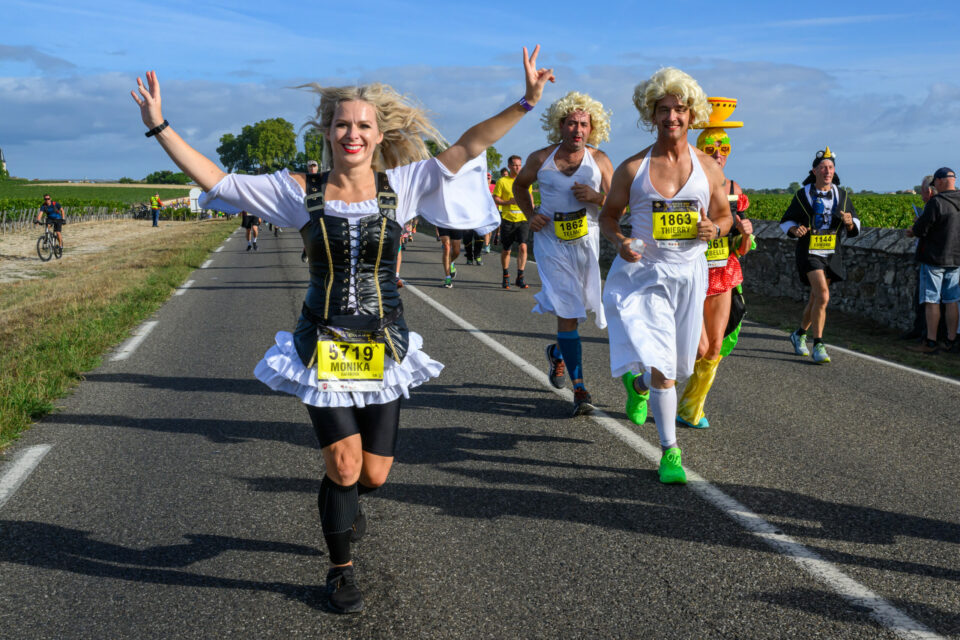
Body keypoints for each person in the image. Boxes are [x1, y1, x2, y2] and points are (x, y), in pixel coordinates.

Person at [131, 46, 553, 614]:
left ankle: (348, 508)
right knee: (345, 465)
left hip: (385, 344)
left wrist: (526, 101)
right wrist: (160, 126)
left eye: (363, 126)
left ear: (379, 136)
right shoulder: (296, 192)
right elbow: (219, 179)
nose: (351, 134)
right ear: (326, 132)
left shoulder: (403, 186)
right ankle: (340, 569)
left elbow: (470, 145)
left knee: (374, 476)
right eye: (341, 125)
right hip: (323, 344)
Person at [599, 68, 733, 484]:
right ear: (651, 115)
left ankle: (639, 385)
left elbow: (725, 215)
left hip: (690, 274)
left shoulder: (709, 168)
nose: (672, 117)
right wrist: (619, 240)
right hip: (646, 274)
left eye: (679, 109)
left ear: (691, 115)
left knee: (685, 361)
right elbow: (607, 216)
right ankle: (670, 451)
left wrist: (716, 228)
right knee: (666, 369)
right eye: (663, 110)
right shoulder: (632, 168)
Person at [513, 91, 613, 416]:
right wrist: (531, 215)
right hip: (551, 243)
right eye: (572, 123)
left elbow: (618, 203)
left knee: (580, 309)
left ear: (592, 128)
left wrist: (596, 198)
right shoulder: (540, 158)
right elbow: (519, 187)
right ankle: (580, 388)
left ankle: (558, 353)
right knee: (567, 310)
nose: (578, 130)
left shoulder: (599, 161)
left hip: (586, 244)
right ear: (560, 124)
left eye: (584, 124)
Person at [676, 97, 753, 429]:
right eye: (712, 146)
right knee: (696, 347)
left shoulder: (735, 190)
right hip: (691, 272)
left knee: (714, 348)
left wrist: (745, 232)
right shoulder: (686, 181)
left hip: (723, 272)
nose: (718, 152)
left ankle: (691, 408)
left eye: (724, 148)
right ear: (700, 147)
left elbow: (743, 248)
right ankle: (644, 382)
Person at [779, 147, 860, 364]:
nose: (827, 171)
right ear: (814, 171)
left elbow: (855, 222)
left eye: (831, 167)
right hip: (809, 251)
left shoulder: (841, 195)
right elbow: (786, 220)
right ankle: (819, 345)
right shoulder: (802, 194)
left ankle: (799, 334)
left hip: (832, 252)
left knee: (816, 298)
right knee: (823, 296)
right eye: (823, 167)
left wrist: (850, 222)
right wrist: (795, 230)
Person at [906, 167, 960, 354]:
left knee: (932, 301)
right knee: (952, 300)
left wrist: (912, 229)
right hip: (956, 258)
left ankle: (930, 341)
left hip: (935, 258)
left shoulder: (936, 202)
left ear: (939, 181)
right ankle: (951, 340)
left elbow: (921, 229)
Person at [493, 155, 533, 288]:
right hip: (508, 220)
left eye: (520, 165)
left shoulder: (525, 181)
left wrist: (531, 208)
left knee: (523, 246)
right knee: (507, 250)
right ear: (509, 166)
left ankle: (520, 277)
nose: (518, 167)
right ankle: (505, 275)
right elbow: (496, 199)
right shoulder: (502, 181)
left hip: (522, 220)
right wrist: (508, 202)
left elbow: (530, 196)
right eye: (515, 165)